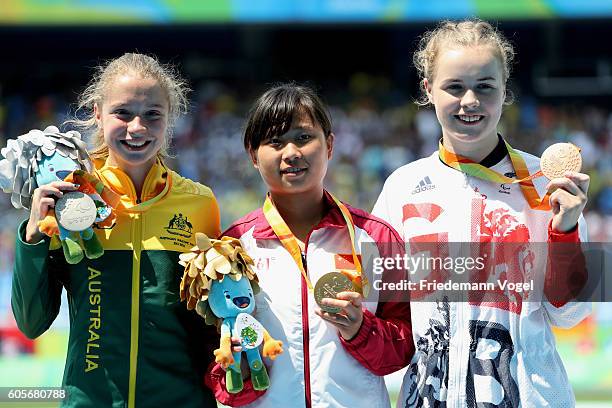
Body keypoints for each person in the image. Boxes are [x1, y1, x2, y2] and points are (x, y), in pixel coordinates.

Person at [372, 19, 591, 407]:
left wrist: (566, 231)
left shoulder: (547, 186)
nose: (469, 100)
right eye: (454, 87)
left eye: (484, 87)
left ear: (505, 91)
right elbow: (379, 308)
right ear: (428, 90)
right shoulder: (401, 186)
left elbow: (571, 315)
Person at [11, 53, 221, 407]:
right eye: (122, 113)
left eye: (153, 114)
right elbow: (31, 323)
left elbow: (211, 322)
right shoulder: (69, 199)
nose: (137, 128)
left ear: (169, 120)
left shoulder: (200, 204)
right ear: (97, 112)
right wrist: (33, 235)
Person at [205, 83, 414, 407]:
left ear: (329, 145)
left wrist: (361, 330)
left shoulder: (375, 237)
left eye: (304, 137)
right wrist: (240, 371)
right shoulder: (231, 249)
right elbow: (215, 373)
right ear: (252, 154)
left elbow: (405, 348)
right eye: (275, 141)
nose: (291, 153)